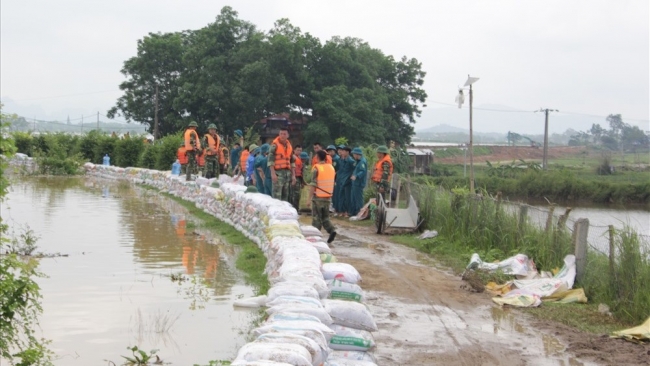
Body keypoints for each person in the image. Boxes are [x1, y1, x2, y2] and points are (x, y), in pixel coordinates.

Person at [307, 150, 337, 244]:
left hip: (318, 197)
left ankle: (315, 237)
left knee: (316, 218)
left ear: (317, 157)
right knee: (326, 218)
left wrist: (309, 199)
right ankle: (332, 230)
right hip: (328, 197)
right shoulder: (331, 167)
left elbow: (313, 185)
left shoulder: (316, 168)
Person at [268, 128, 296, 202]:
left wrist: (293, 176)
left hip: (287, 175)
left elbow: (292, 162)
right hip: (278, 174)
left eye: (284, 134)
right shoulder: (274, 145)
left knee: (285, 196)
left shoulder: (289, 146)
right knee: (277, 196)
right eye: (281, 134)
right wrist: (273, 174)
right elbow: (270, 161)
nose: (282, 136)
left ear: (288, 135)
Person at [335, 145, 355, 217]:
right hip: (340, 180)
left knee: (347, 197)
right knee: (341, 196)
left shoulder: (351, 161)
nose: (342, 152)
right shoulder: (341, 160)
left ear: (347, 152)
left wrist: (350, 177)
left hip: (347, 181)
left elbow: (354, 170)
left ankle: (347, 211)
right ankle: (342, 211)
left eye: (343, 151)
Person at [348, 147, 367, 217]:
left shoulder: (362, 162)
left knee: (358, 199)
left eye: (354, 154)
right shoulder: (357, 161)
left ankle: (359, 213)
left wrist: (356, 176)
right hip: (354, 183)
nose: (353, 156)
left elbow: (363, 171)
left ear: (357, 154)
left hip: (359, 183)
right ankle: (353, 212)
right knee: (353, 198)